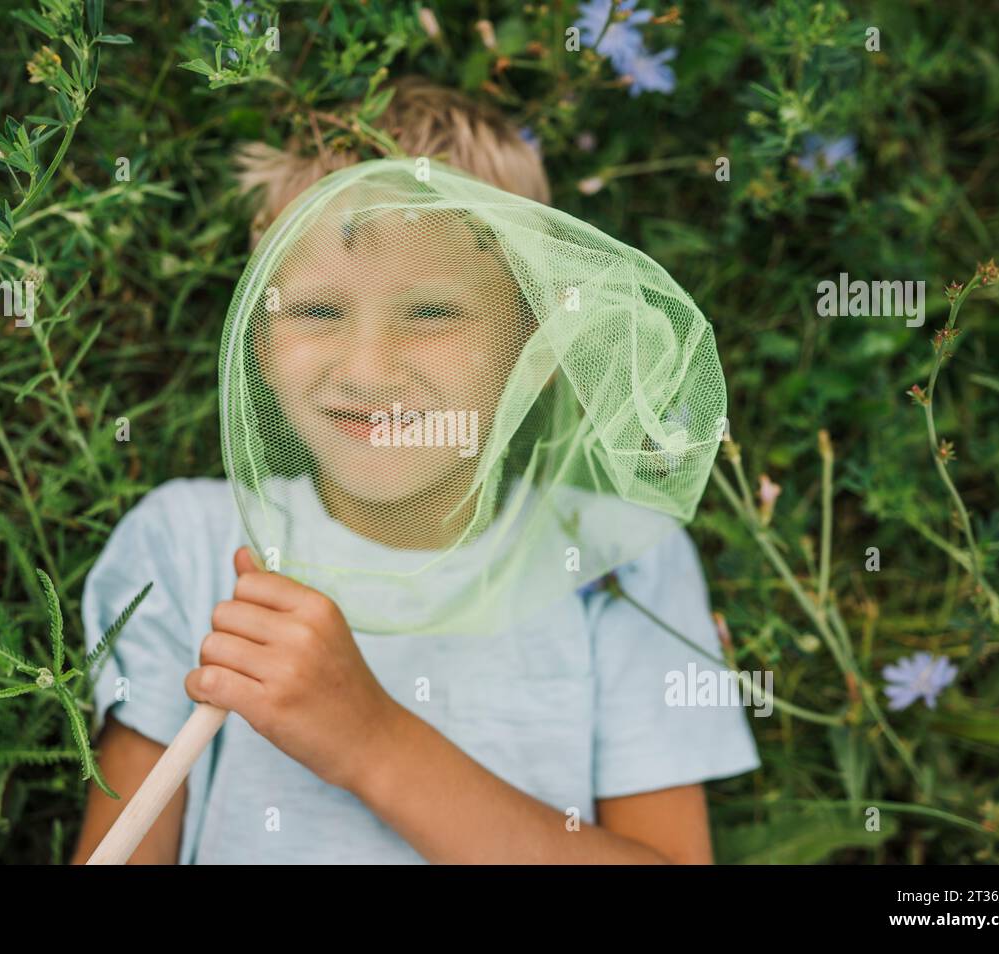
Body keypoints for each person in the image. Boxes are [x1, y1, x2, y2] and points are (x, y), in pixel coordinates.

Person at [71, 78, 759, 865]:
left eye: (432, 313)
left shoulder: (617, 558)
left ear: (532, 349)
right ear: (256, 337)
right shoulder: (189, 544)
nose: (367, 372)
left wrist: (372, 741)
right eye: (318, 312)